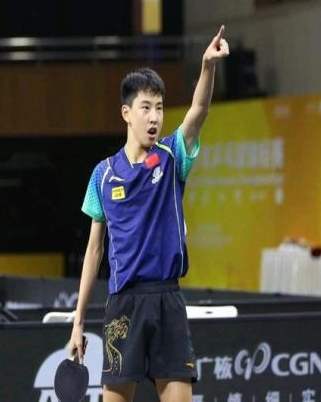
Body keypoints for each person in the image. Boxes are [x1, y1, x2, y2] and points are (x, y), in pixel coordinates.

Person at [69, 26, 230, 402]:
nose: (154, 116)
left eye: (159, 107)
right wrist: (78, 322)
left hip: (167, 300)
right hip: (123, 305)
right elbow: (94, 251)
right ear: (127, 113)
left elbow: (199, 111)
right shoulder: (103, 175)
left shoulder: (173, 157)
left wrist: (207, 66)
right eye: (146, 107)